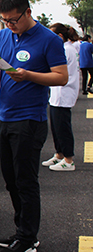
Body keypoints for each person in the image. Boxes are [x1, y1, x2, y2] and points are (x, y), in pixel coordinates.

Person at [0, 0, 67, 252]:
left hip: (30, 120)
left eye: (13, 20)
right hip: (4, 117)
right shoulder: (4, 35)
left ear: (28, 12)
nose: (9, 25)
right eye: (5, 20)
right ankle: (22, 229)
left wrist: (29, 75)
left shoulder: (49, 40)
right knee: (10, 180)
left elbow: (61, 77)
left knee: (26, 180)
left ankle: (28, 238)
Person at [42, 23, 79, 171]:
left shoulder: (66, 49)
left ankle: (68, 160)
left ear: (60, 36)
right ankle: (59, 154)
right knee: (56, 127)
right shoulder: (67, 48)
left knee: (63, 128)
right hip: (58, 93)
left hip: (63, 93)